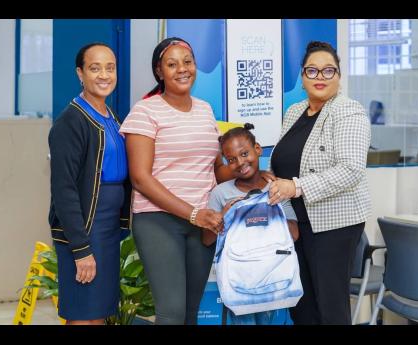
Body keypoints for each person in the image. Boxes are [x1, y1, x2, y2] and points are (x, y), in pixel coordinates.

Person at [119, 37, 234, 325]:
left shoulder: (205, 109)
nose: (182, 69)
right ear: (160, 71)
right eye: (172, 64)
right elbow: (141, 178)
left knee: (190, 313)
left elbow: (214, 169)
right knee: (171, 312)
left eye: (188, 62)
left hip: (204, 222)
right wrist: (193, 214)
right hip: (159, 220)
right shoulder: (144, 111)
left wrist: (246, 169)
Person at [267, 41, 372, 325]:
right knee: (301, 307)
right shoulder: (294, 112)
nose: (320, 77)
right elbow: (281, 162)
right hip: (295, 225)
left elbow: (351, 170)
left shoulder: (348, 111)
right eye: (312, 71)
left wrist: (296, 186)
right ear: (302, 77)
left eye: (329, 71)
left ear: (339, 76)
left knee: (330, 309)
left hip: (333, 226)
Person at [48, 42, 131, 325]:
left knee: (98, 313)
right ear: (80, 73)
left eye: (110, 68)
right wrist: (81, 248)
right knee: (83, 314)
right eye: (95, 68)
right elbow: (64, 190)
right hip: (85, 230)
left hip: (107, 230)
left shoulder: (112, 117)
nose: (104, 75)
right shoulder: (71, 121)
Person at [208, 123, 299, 325]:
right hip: (240, 286)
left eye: (244, 153)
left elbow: (294, 234)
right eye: (231, 160)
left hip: (276, 284)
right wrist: (224, 215)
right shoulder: (221, 194)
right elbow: (206, 239)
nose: (240, 163)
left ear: (257, 149)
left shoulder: (276, 188)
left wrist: (266, 210)